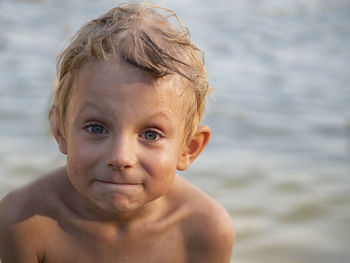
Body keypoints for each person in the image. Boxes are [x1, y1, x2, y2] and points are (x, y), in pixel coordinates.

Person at [0, 2, 234, 262]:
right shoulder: (24, 220)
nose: (121, 157)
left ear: (188, 148)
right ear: (60, 130)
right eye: (96, 128)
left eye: (151, 134)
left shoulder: (205, 230)